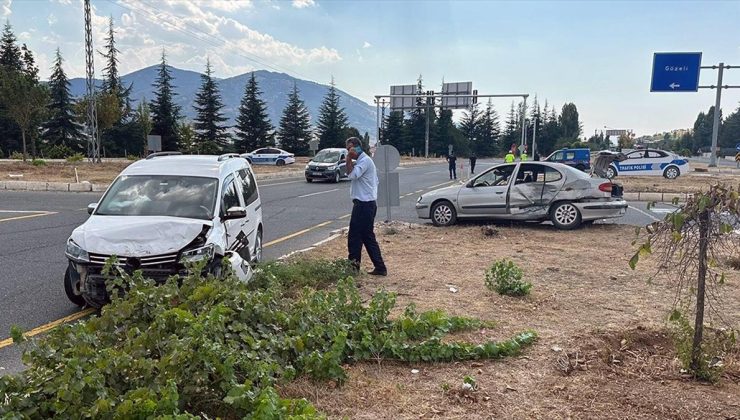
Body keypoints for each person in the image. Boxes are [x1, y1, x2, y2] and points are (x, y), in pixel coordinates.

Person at [344, 137, 387, 276]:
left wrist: (348, 159)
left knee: (354, 237)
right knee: (367, 236)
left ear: (356, 147)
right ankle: (380, 267)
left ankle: (353, 269)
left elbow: (352, 175)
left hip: (364, 205)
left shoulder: (364, 161)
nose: (348, 151)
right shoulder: (364, 161)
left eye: (349, 148)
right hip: (367, 204)